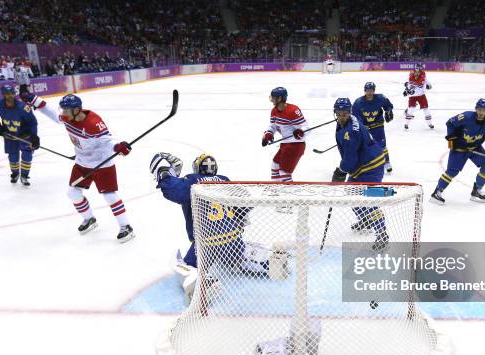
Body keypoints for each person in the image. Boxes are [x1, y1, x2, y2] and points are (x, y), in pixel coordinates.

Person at [151, 152, 268, 301]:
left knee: (185, 265)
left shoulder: (193, 181)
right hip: (232, 237)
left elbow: (174, 192)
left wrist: (164, 173)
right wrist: (237, 219)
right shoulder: (225, 180)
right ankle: (267, 262)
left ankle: (204, 285)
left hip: (206, 242)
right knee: (236, 253)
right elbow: (245, 204)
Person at [24, 93, 134, 241]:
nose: (63, 113)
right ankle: (89, 219)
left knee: (109, 196)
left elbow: (108, 141)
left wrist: (118, 147)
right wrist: (35, 100)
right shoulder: (68, 117)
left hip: (102, 164)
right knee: (73, 193)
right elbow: (52, 113)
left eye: (66, 110)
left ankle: (126, 226)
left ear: (76, 110)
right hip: (82, 163)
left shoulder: (93, 123)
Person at [331, 97, 389, 250]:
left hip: (371, 166)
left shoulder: (350, 132)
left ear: (349, 113)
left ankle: (382, 234)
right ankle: (366, 220)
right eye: (339, 113)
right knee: (351, 192)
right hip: (363, 162)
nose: (341, 117)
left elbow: (350, 158)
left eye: (344, 114)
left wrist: (340, 171)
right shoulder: (352, 120)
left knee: (368, 201)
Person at [431, 98, 485, 205]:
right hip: (460, 148)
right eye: (480, 109)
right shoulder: (466, 117)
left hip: (475, 147)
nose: (482, 112)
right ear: (476, 108)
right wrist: (453, 138)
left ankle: (476, 191)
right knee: (452, 171)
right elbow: (450, 123)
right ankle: (437, 193)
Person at [0, 84, 39, 186]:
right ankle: (15, 174)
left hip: (25, 135)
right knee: (13, 156)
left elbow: (33, 122)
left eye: (12, 93)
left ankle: (24, 175)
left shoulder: (23, 107)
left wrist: (34, 136)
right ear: (3, 95)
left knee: (27, 155)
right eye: (7, 94)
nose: (10, 96)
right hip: (9, 135)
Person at [262, 87, 308, 182]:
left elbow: (306, 128)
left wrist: (301, 131)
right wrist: (268, 134)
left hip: (295, 146)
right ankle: (276, 191)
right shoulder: (274, 111)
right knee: (275, 165)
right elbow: (273, 126)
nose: (272, 100)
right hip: (285, 144)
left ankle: (288, 195)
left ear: (280, 98)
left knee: (284, 173)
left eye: (273, 98)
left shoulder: (293, 110)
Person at [352, 82, 394, 173]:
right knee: (363, 146)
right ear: (365, 91)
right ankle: (364, 163)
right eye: (367, 91)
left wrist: (388, 111)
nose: (369, 93)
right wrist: (360, 126)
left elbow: (388, 105)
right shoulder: (358, 102)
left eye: (371, 90)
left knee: (382, 145)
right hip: (365, 128)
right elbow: (355, 116)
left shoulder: (381, 98)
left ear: (374, 91)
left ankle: (386, 162)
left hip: (378, 126)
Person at [403, 63, 434, 130]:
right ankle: (406, 124)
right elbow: (408, 84)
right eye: (416, 71)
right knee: (411, 109)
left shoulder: (423, 74)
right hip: (413, 96)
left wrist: (429, 85)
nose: (417, 73)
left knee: (426, 109)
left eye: (418, 71)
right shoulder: (411, 75)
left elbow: (426, 81)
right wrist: (406, 90)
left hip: (421, 95)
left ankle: (430, 123)